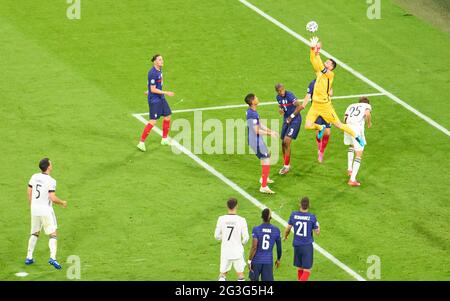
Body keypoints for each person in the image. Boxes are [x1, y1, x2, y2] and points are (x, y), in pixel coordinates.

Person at [303, 36, 365, 149]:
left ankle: (357, 136)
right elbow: (313, 61)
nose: (326, 62)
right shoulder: (320, 73)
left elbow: (320, 65)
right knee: (307, 126)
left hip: (325, 106)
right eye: (326, 61)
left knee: (339, 125)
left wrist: (316, 50)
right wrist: (312, 50)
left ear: (331, 67)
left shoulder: (330, 75)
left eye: (328, 62)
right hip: (315, 105)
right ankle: (320, 127)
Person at [25, 158, 67, 270]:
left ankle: (29, 257)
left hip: (34, 209)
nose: (52, 165)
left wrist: (31, 205)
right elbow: (52, 198)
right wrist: (62, 202)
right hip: (46, 210)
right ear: (48, 167)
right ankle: (53, 258)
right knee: (53, 233)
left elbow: (29, 191)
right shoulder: (51, 181)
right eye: (51, 163)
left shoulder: (34, 177)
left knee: (34, 233)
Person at [137, 54, 175, 152]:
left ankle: (164, 139)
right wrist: (166, 92)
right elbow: (153, 89)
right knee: (153, 121)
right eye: (159, 60)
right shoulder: (153, 73)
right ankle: (141, 142)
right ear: (155, 62)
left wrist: (148, 90)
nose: (162, 61)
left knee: (168, 115)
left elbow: (152, 86)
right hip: (154, 100)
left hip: (160, 98)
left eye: (162, 59)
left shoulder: (159, 70)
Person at [245, 93, 278, 194]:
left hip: (255, 140)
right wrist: (270, 134)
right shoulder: (253, 114)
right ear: (252, 102)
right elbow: (257, 130)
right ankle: (263, 186)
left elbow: (259, 124)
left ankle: (264, 178)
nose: (257, 98)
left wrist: (270, 130)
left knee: (266, 157)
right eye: (256, 98)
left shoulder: (251, 111)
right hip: (255, 141)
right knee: (266, 159)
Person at [284, 197, 320, 281]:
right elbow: (317, 232)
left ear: (299, 204)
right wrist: (318, 224)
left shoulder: (294, 214)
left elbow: (288, 228)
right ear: (309, 205)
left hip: (297, 245)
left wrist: (285, 236)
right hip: (307, 246)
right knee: (307, 269)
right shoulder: (312, 217)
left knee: (300, 267)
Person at [214, 198, 249, 281]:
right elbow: (246, 238)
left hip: (225, 251)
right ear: (237, 206)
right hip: (237, 251)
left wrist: (224, 238)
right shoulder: (241, 220)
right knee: (240, 275)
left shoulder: (221, 219)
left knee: (223, 274)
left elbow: (216, 236)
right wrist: (241, 243)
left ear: (227, 206)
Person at [300, 79, 332, 163]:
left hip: (326, 110)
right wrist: (303, 106)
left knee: (327, 132)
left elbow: (331, 93)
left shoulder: (327, 80)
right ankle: (319, 147)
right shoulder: (313, 83)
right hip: (316, 111)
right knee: (318, 133)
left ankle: (321, 152)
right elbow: (308, 96)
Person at [344, 97, 373, 186]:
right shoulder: (367, 106)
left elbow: (344, 118)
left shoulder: (351, 105)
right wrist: (369, 123)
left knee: (351, 146)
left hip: (347, 127)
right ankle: (352, 180)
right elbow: (367, 114)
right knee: (359, 153)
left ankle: (349, 169)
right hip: (356, 130)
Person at [275, 84, 303, 175]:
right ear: (277, 91)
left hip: (295, 120)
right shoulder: (278, 97)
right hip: (286, 120)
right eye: (279, 91)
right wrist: (280, 109)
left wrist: (291, 117)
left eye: (282, 90)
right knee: (283, 143)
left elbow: (300, 107)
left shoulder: (290, 96)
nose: (281, 92)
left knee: (287, 141)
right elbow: (280, 105)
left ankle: (286, 167)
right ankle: (286, 164)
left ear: (284, 89)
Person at [248, 208, 282, 281]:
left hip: (256, 261)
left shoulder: (256, 229)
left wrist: (249, 260)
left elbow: (254, 247)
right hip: (268, 261)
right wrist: (278, 259)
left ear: (262, 217)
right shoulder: (276, 230)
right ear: (270, 218)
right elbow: (279, 247)